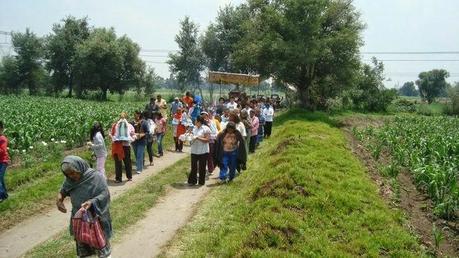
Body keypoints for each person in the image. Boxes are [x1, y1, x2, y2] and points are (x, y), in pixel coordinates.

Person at [57, 156, 112, 258]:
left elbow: (105, 194)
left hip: (96, 218)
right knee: (83, 245)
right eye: (68, 174)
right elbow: (63, 190)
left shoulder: (96, 177)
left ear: (80, 167)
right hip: (79, 219)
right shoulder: (69, 180)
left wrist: (92, 202)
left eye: (73, 172)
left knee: (101, 245)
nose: (72, 176)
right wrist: (59, 199)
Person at [110, 112, 136, 183]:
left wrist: (131, 139)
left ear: (126, 118)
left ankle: (129, 176)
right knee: (119, 162)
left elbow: (133, 135)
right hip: (118, 146)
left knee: (127, 161)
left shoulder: (129, 126)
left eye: (123, 117)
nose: (122, 118)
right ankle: (119, 178)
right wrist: (114, 138)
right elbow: (112, 135)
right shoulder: (116, 125)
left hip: (125, 146)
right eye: (121, 117)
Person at [188, 116, 211, 186]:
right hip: (194, 150)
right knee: (193, 166)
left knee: (202, 167)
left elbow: (207, 140)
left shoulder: (206, 129)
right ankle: (193, 181)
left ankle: (201, 181)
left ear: (199, 122)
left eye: (195, 121)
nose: (194, 122)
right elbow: (190, 136)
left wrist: (198, 138)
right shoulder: (194, 128)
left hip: (203, 151)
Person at [0, 121, 10, 202]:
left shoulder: (2, 138)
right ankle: (4, 195)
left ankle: (2, 195)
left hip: (3, 161)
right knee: (1, 178)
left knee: (0, 177)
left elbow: (3, 151)